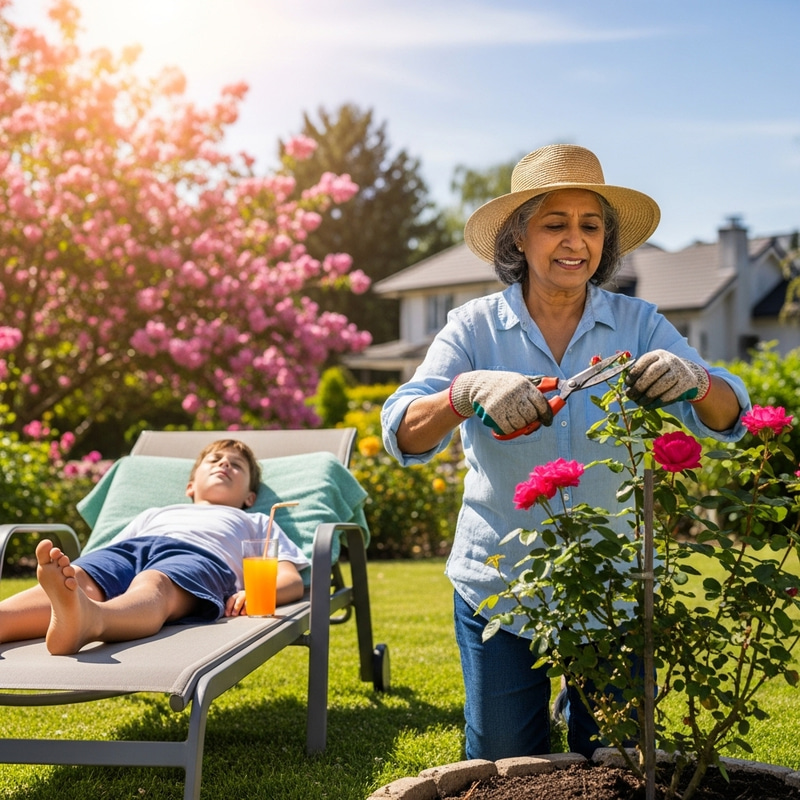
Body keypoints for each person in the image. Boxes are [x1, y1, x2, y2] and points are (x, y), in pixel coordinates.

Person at [381, 144, 751, 760]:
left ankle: (575, 697)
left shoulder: (639, 323)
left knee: (617, 764)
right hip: (500, 582)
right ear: (518, 240)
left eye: (591, 226)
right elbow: (402, 428)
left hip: (614, 584)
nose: (575, 241)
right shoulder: (473, 327)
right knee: (503, 764)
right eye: (554, 224)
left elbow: (732, 412)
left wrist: (695, 378)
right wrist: (462, 391)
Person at [0, 438, 309, 655]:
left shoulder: (256, 521)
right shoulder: (154, 514)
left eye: (237, 466)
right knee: (80, 577)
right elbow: (114, 558)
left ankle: (93, 620)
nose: (224, 464)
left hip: (200, 557)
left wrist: (254, 594)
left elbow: (291, 580)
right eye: (215, 460)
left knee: (154, 583)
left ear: (249, 498)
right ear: (190, 486)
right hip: (134, 547)